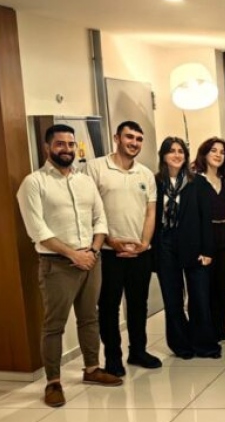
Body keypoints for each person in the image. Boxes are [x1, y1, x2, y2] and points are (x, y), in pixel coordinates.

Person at [17, 124, 123, 407]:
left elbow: (100, 218)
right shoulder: (34, 183)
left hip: (91, 260)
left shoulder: (84, 181)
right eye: (60, 144)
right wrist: (73, 254)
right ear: (47, 147)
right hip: (57, 264)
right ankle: (53, 382)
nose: (66, 149)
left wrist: (93, 250)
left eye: (71, 144)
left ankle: (92, 369)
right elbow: (37, 230)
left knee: (89, 318)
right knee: (54, 325)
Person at [84, 120, 161, 377]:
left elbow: (150, 212)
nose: (134, 143)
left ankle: (138, 351)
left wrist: (144, 244)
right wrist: (108, 240)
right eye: (129, 137)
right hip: (109, 253)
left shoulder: (145, 174)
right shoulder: (95, 168)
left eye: (138, 139)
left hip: (140, 252)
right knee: (108, 307)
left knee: (139, 304)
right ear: (117, 138)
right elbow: (89, 210)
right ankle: (113, 358)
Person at [153, 137, 222, 360]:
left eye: (180, 151)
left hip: (194, 244)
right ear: (163, 155)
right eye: (171, 151)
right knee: (172, 299)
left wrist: (208, 251)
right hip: (165, 243)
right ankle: (181, 345)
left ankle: (205, 344)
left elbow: (206, 218)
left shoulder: (197, 183)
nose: (176, 155)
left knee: (200, 297)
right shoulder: (155, 182)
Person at [193, 137, 225, 344]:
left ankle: (220, 328)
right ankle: (204, 331)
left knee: (222, 285)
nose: (218, 154)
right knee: (204, 288)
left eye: (222, 152)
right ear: (204, 154)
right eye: (213, 150)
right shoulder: (195, 181)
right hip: (204, 236)